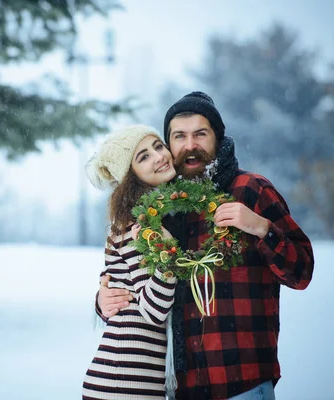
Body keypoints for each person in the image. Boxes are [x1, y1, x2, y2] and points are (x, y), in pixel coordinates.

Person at [96, 92, 315, 400]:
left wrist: (260, 227)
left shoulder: (250, 190)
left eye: (200, 134)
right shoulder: (161, 207)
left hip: (241, 384)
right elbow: (134, 279)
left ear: (218, 137)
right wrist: (105, 299)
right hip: (180, 389)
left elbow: (302, 271)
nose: (190, 145)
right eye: (179, 137)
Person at [82, 124, 179, 399]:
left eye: (158, 146)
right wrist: (167, 250)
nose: (159, 156)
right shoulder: (136, 224)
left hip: (132, 380)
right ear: (130, 175)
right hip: (123, 383)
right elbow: (153, 310)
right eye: (143, 157)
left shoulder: (150, 214)